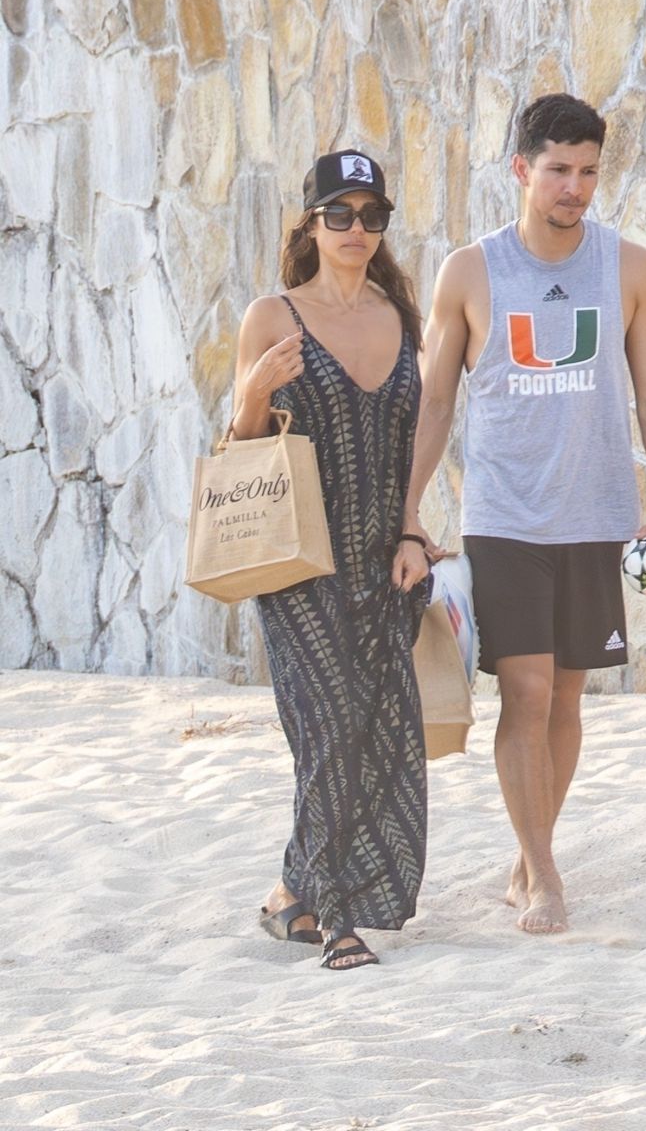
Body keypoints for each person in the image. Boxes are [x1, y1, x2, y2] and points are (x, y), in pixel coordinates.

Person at [401, 93, 646, 935]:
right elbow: (434, 402)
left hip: (598, 515)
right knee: (525, 693)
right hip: (506, 517)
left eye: (589, 172)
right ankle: (545, 877)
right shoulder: (471, 272)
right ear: (521, 170)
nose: (575, 187)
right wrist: (407, 511)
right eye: (559, 170)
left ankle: (530, 856)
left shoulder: (629, 269)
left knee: (568, 698)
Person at [230, 150, 430, 970]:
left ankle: (292, 894)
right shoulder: (272, 317)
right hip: (299, 561)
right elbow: (242, 450)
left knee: (377, 733)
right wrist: (255, 392)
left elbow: (411, 443)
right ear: (310, 224)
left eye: (371, 215)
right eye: (339, 214)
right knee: (328, 726)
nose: (356, 229)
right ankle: (338, 916)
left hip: (383, 559)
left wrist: (413, 531)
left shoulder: (399, 314)